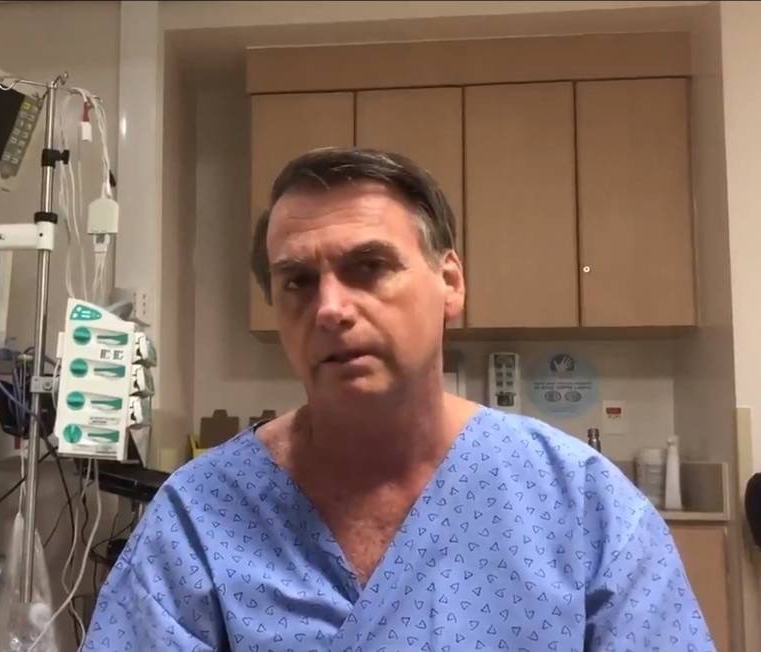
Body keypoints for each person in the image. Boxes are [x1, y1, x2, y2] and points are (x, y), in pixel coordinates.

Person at [84, 148, 714, 651]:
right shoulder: (201, 516)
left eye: (369, 267)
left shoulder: (582, 506)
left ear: (450, 282)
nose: (330, 308)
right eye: (298, 280)